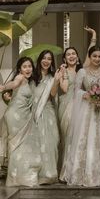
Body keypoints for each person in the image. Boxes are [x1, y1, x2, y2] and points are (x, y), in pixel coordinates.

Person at [62, 46, 100, 186]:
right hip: (88, 111)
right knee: (87, 139)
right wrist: (88, 96)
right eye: (94, 56)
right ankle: (85, 173)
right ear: (90, 56)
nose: (97, 59)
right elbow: (76, 91)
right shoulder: (82, 71)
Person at [58, 27, 96, 180]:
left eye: (73, 54)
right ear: (64, 59)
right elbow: (65, 88)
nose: (71, 56)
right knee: (67, 137)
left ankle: (76, 170)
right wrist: (64, 73)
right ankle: (65, 172)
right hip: (67, 106)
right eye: (68, 54)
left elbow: (90, 52)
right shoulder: (62, 71)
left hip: (80, 107)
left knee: (79, 138)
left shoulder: (82, 70)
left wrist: (93, 36)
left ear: (78, 57)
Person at [0, 57, 42, 186]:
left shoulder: (29, 82)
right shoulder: (20, 78)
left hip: (24, 116)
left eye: (30, 66)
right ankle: (15, 178)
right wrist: (4, 87)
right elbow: (14, 84)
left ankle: (21, 176)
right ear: (20, 69)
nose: (28, 69)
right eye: (25, 66)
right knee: (16, 146)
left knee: (21, 147)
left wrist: (8, 95)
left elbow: (17, 95)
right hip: (15, 117)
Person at [32, 50, 60, 184]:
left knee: (51, 142)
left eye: (49, 59)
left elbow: (53, 94)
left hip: (47, 111)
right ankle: (36, 174)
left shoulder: (53, 77)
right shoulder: (32, 75)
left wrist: (56, 80)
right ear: (39, 60)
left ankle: (49, 174)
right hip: (33, 113)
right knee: (37, 143)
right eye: (44, 58)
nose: (46, 61)